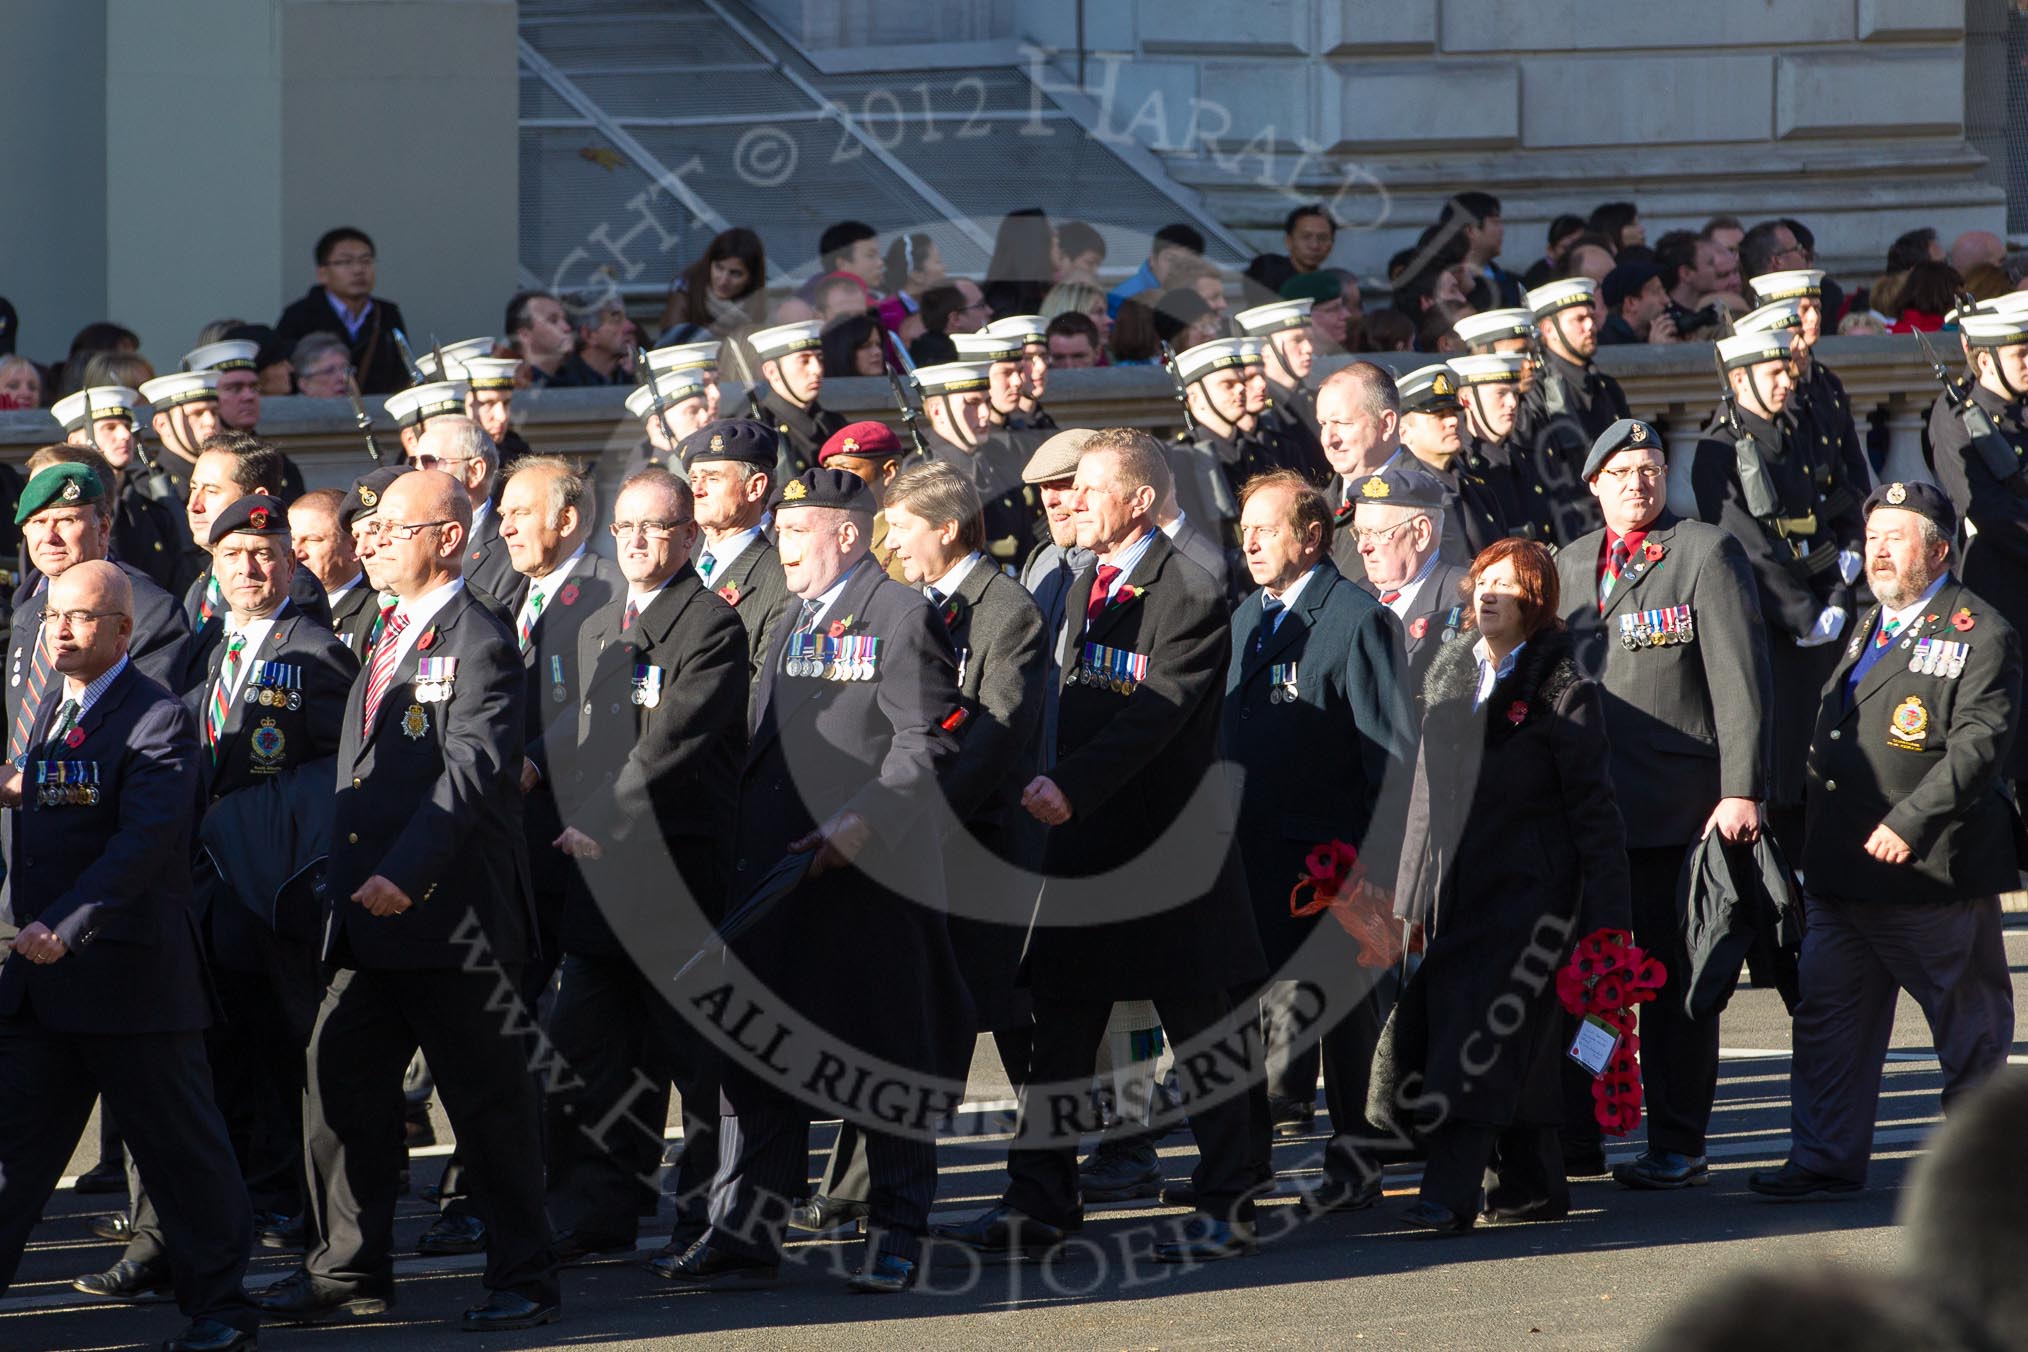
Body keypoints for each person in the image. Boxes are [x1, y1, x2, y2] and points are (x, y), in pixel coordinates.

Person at [937, 428, 1272, 1265]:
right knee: (1059, 1036)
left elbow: (1153, 715)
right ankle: (1040, 1201)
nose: (1070, 503)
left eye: (1088, 490)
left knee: (1206, 1034)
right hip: (1080, 853)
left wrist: (1070, 785)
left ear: (1140, 502)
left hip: (1164, 858)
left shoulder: (1187, 591)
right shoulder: (1081, 580)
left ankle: (1230, 1203)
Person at [255, 469, 561, 1333]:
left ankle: (525, 1278)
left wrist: (408, 872)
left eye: (393, 527)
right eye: (370, 527)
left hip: (453, 921)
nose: (371, 539)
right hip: (369, 921)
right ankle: (348, 1270)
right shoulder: (387, 630)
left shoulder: (482, 637)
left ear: (450, 538)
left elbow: (471, 769)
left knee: (490, 1105)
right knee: (338, 1079)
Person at [657, 466, 968, 1296]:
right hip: (779, 874)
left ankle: (897, 1230)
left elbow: (927, 741)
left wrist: (864, 820)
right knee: (760, 1059)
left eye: (797, 533)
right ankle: (746, 1229)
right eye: (783, 532)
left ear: (848, 535)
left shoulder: (901, 615)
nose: (782, 547)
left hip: (868, 885)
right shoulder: (792, 616)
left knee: (881, 1055)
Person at [85, 492, 362, 1294]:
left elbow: (336, 775)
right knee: (204, 1063)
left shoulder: (316, 651)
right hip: (198, 893)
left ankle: (296, 1220)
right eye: (235, 553)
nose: (252, 566)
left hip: (272, 894)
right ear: (213, 564)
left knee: (286, 1060)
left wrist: (259, 825)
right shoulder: (203, 647)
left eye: (267, 552)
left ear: (290, 562)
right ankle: (190, 1229)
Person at [0, 560, 261, 1352]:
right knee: (11, 1156)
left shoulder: (156, 717)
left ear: (123, 630)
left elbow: (145, 841)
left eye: (82, 618)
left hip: (129, 982)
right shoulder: (50, 703)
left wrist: (69, 921)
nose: (64, 630)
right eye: (54, 619)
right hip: (40, 984)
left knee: (182, 1156)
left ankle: (221, 1309)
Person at [800, 462, 1051, 1235]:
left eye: (902, 526)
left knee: (1013, 1031)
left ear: (945, 528)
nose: (891, 541)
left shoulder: (1005, 610)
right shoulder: (906, 606)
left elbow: (991, 738)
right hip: (911, 846)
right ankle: (851, 1192)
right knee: (902, 1020)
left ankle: (1047, 1191)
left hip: (978, 850)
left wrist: (908, 817)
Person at [1750, 482, 2019, 1199]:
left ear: (1938, 548)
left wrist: (1908, 821)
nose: (1878, 551)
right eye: (1872, 538)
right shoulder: (1871, 621)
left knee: (1969, 1035)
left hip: (1930, 875)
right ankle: (1824, 1157)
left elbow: (1977, 749)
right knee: (1828, 1025)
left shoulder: (1978, 630)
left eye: (1895, 537)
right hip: (1843, 874)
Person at [1387, 537, 1632, 1231]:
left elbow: (1596, 814)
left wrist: (1610, 925)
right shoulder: (1450, 677)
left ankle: (1449, 1192)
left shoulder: (1564, 690)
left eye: (1512, 584)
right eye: (1484, 580)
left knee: (1480, 1039)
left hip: (1533, 903)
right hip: (1458, 898)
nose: (1491, 593)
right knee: (1496, 1043)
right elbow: (1424, 802)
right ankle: (1533, 1188)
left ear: (1539, 602)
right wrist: (1405, 904)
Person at [1553, 419, 1773, 1185]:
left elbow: (1741, 683)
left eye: (1649, 470)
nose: (1637, 484)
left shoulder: (1703, 552)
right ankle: (1580, 1133)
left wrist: (1742, 789)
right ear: (1593, 485)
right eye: (1620, 472)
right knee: (1590, 980)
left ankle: (1678, 1142)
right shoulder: (1570, 564)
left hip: (1678, 816)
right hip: (1590, 817)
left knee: (1676, 986)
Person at [540, 467, 746, 1266]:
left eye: (654, 527)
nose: (634, 540)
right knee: (589, 1053)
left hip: (676, 878)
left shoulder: (710, 625)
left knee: (695, 1062)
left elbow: (676, 740)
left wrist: (601, 815)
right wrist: (531, 768)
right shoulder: (601, 619)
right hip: (600, 885)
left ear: (690, 537)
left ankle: (705, 1220)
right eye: (624, 526)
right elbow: (578, 731)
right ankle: (598, 1211)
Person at [1224, 468, 1415, 1188]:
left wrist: (1377, 877)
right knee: (1247, 1015)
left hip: (1330, 868)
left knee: (1347, 1025)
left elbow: (1389, 761)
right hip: (1250, 859)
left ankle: (1356, 1163)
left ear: (1311, 536)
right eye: (1243, 530)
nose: (1250, 542)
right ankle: (1241, 1165)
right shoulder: (1248, 618)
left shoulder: (1358, 620)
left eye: (1264, 529)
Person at [1692, 331, 1861, 859]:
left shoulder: (1791, 431)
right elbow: (1748, 549)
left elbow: (1822, 521)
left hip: (1819, 611)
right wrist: (1804, 615)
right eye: (1774, 374)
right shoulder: (1717, 450)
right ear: (1739, 379)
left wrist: (1836, 591)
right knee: (1788, 763)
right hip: (1777, 626)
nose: (1787, 381)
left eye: (1786, 371)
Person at [1928, 302, 2028, 803]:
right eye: (2020, 353)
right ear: (1984, 360)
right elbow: (1987, 512)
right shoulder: (1956, 416)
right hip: (2001, 584)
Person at [175, 433, 331, 693]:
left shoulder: (290, 584)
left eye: (211, 491)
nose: (194, 505)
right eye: (193, 488)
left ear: (257, 498)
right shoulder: (205, 581)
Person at [1513, 277, 1631, 545]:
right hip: (1567, 531)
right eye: (1578, 319)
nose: (1590, 325)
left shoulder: (1606, 388)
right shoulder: (1533, 391)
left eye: (1591, 316)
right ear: (1547, 329)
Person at [680, 419, 793, 689]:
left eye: (713, 478)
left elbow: (762, 691)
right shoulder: (676, 560)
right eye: (694, 479)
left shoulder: (783, 580)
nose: (697, 490)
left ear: (755, 488)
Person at [1350, 463, 1470, 700]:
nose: (1362, 547)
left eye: (1377, 533)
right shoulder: (1356, 595)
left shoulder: (1465, 598)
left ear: (1421, 533)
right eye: (1360, 533)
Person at [909, 359, 1039, 567]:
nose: (985, 413)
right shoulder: (921, 472)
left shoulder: (996, 460)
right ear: (937, 412)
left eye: (986, 402)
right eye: (972, 404)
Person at [270, 227, 410, 394]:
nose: (358, 270)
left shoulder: (387, 313)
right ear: (322, 273)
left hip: (377, 413)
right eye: (346, 262)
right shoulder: (298, 316)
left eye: (366, 261)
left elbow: (402, 372)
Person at [1396, 364, 1509, 560]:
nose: (1453, 422)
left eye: (1453, 413)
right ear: (1404, 433)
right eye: (1439, 416)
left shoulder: (1476, 488)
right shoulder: (1401, 495)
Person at [408, 415, 516, 604]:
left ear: (475, 471)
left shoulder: (511, 549)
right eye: (414, 462)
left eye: (429, 461)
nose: (417, 472)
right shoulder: (406, 537)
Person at [1313, 363, 1407, 577]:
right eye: (1323, 424)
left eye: (1342, 423)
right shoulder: (1318, 507)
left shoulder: (1427, 499)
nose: (1329, 439)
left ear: (1386, 424)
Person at [1451, 349, 1552, 542]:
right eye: (1501, 393)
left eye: (1515, 393)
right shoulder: (1460, 465)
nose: (1513, 402)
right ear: (1466, 401)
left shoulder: (1526, 457)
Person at [1234, 297, 1326, 481]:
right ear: (1264, 348)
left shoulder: (1314, 399)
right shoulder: (1258, 408)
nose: (1308, 348)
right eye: (1297, 340)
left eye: (1310, 339)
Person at [744, 320, 846, 482]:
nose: (817, 369)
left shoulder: (834, 424)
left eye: (819, 358)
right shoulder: (757, 429)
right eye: (804, 361)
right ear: (772, 371)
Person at [815, 420, 910, 581]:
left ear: (888, 472)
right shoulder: (823, 529)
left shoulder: (907, 533)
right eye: (828, 469)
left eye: (845, 469)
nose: (832, 479)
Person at [289, 487, 374, 651]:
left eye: (312, 540)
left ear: (353, 547)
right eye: (290, 539)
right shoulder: (281, 607)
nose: (296, 552)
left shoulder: (373, 612)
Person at [657, 226, 767, 345]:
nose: (724, 280)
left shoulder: (757, 302)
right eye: (719, 268)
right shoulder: (685, 289)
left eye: (735, 273)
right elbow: (671, 345)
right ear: (709, 263)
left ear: (751, 277)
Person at [1107, 222, 1206, 320]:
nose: (1177, 269)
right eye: (1171, 260)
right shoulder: (1124, 299)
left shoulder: (1200, 294)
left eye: (1186, 263)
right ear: (1153, 259)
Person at [986, 314, 1058, 432]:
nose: (1041, 367)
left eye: (1044, 356)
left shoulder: (1046, 423)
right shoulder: (993, 428)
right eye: (1028, 358)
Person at [795, 220, 882, 311]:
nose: (880, 263)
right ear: (842, 264)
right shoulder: (838, 304)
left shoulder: (874, 295)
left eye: (878, 255)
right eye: (870, 256)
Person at [876, 231, 946, 345]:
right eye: (938, 261)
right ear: (916, 274)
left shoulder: (927, 306)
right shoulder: (891, 315)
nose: (944, 268)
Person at [1599, 262, 1678, 345]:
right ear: (1631, 303)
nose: (1667, 300)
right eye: (1656, 292)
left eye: (1664, 292)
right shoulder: (1605, 345)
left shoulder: (1644, 337)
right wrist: (1656, 352)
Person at [291, 332, 354, 398]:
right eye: (329, 371)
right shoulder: (290, 408)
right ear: (304, 384)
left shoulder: (359, 406)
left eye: (346, 370)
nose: (342, 378)